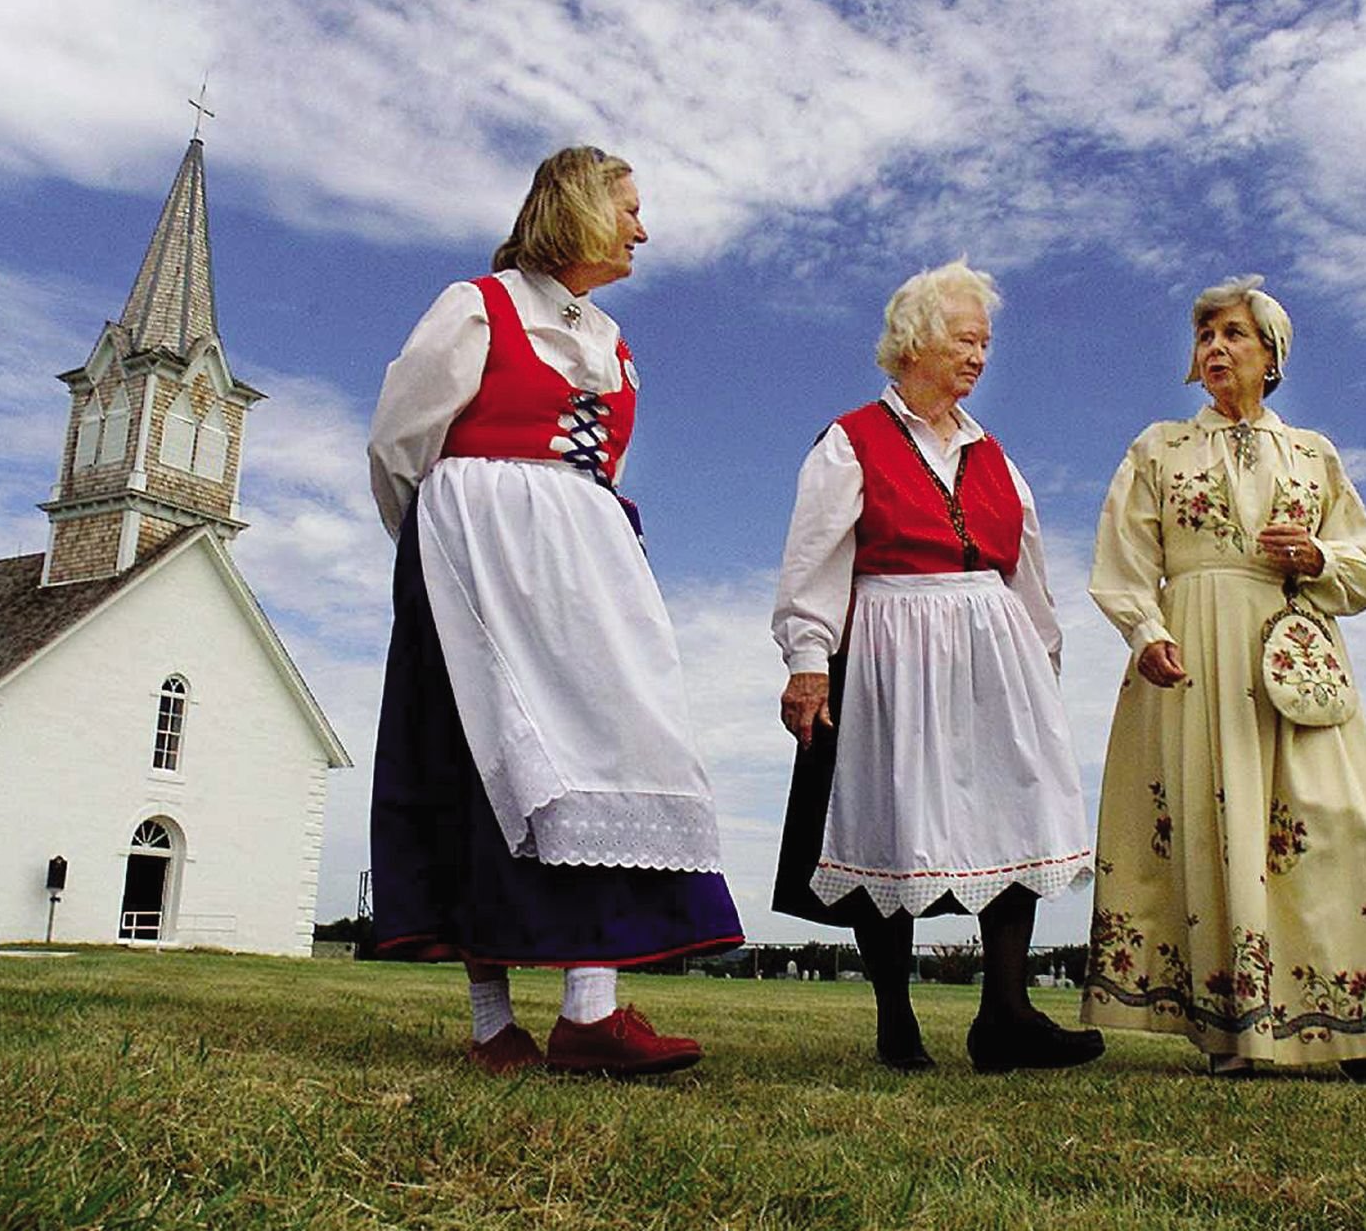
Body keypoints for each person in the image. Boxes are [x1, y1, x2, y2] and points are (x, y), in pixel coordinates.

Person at [367, 145, 741, 1077]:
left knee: (615, 749)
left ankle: (590, 1011)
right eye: (629, 208)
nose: (642, 230)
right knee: (478, 759)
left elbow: (599, 467)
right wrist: (441, 554)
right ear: (576, 206)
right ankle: (494, 1022)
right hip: (479, 559)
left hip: (588, 566)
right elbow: (398, 444)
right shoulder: (477, 307)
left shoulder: (610, 341)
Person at [1082, 276, 1366, 1082]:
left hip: (1297, 648)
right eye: (1205, 337)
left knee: (1336, 824)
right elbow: (1124, 560)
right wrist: (1146, 631)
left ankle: (1350, 1026)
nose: (1215, 349)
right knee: (1218, 828)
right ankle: (1238, 1029)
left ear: (1273, 356)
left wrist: (1317, 558)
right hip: (1197, 649)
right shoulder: (1158, 446)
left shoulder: (1314, 453)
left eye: (1234, 334)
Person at [771, 258, 1103, 1073]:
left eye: (985, 342)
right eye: (965, 338)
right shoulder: (851, 441)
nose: (980, 355)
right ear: (916, 341)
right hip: (890, 644)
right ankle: (896, 1020)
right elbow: (814, 561)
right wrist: (810, 661)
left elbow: (1028, 573)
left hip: (993, 649)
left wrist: (1043, 669)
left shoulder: (997, 457)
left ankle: (1006, 1014)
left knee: (1018, 804)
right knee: (891, 815)